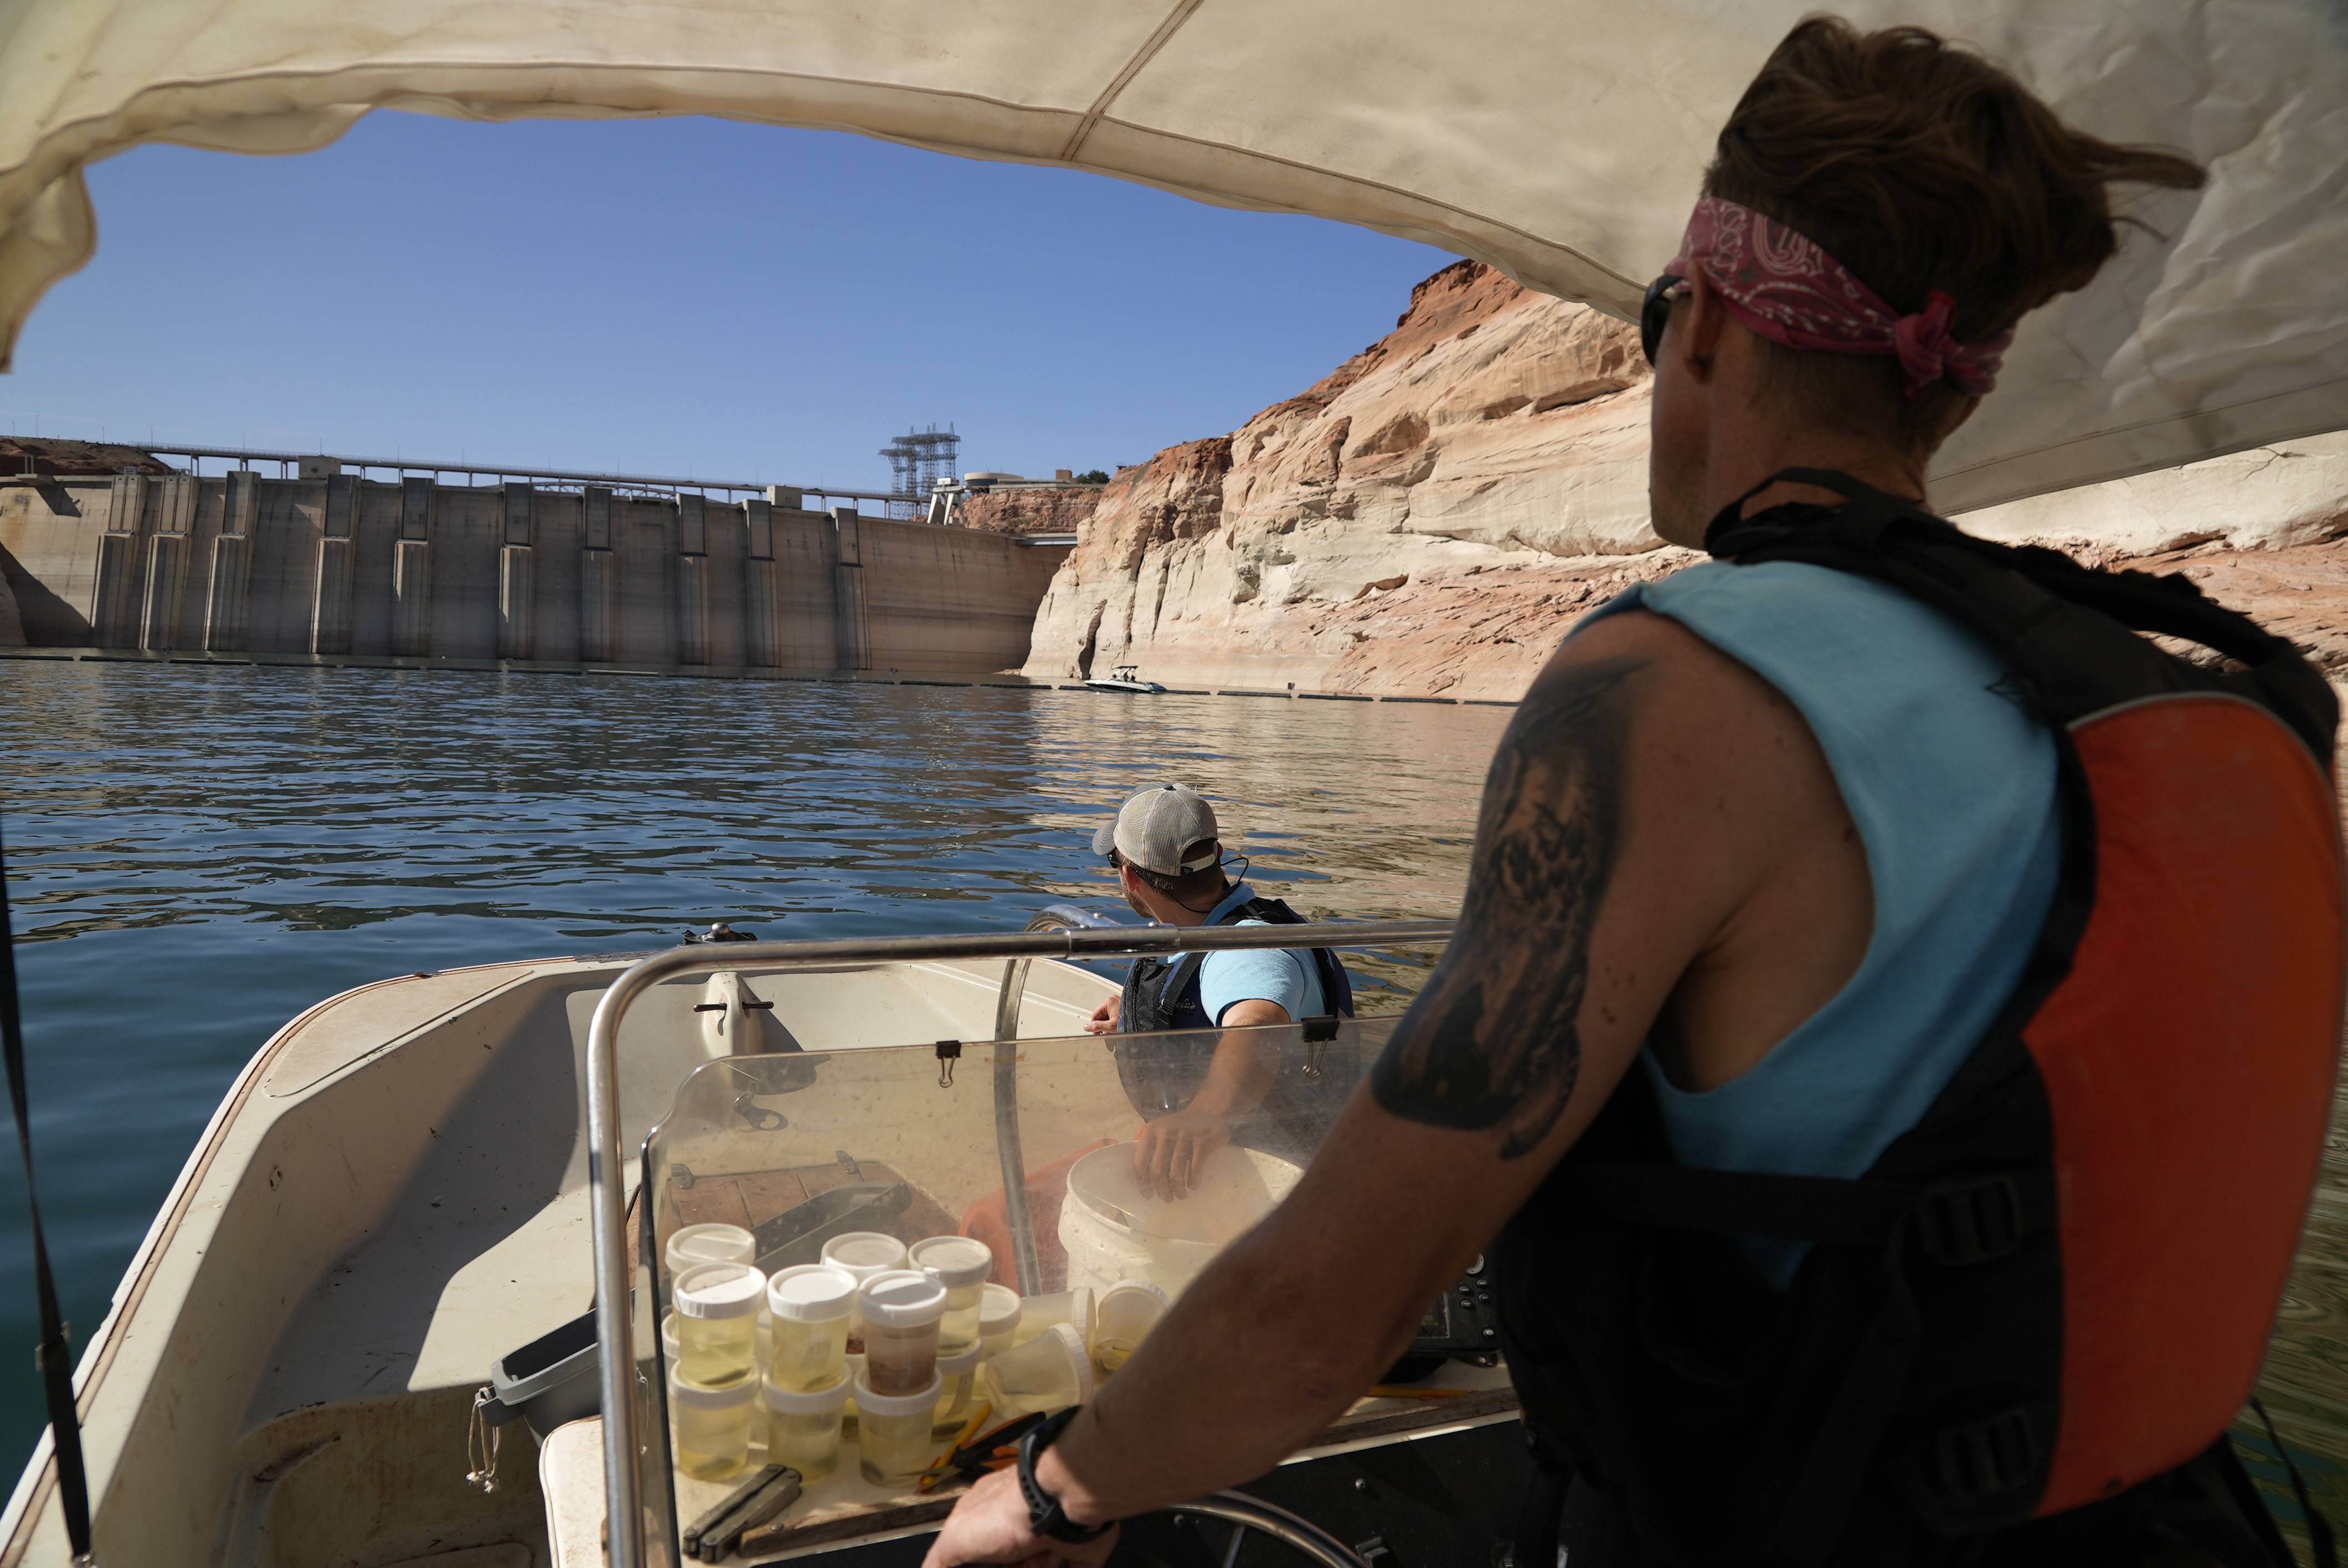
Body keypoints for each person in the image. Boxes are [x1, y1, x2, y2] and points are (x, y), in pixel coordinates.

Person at [928, 19, 2341, 1568]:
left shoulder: (1672, 691)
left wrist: (1056, 1491)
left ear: (1711, 320)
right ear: (1951, 387)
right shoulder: (2174, 682)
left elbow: (1335, 1299)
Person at [1080, 782, 1353, 1199]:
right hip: (1224, 1167)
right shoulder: (1203, 931)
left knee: (999, 1216)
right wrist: (1139, 1014)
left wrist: (1206, 1115)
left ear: (1130, 876)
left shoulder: (1248, 948)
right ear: (1218, 856)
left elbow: (1258, 1026)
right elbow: (1217, 993)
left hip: (1261, 1184)